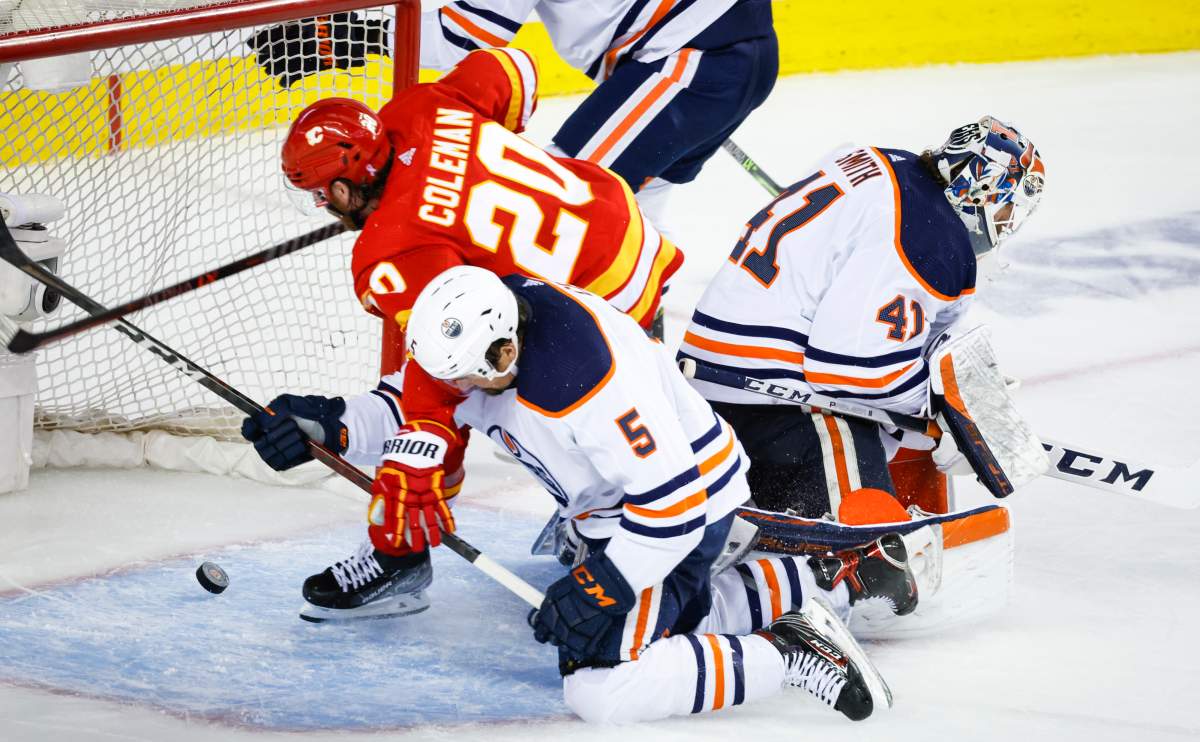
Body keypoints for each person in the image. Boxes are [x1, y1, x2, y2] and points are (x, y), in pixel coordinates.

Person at [242, 46, 682, 621]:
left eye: (322, 193)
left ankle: (407, 557)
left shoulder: (391, 250)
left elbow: (446, 368)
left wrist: (412, 456)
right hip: (630, 241)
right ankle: (611, 509)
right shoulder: (422, 104)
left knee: (498, 392)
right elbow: (516, 67)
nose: (324, 204)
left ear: (347, 190)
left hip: (587, 318)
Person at [394, 264, 917, 723]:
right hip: (640, 508)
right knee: (681, 623)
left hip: (681, 512)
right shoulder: (503, 310)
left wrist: (600, 585)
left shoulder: (584, 381)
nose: (455, 386)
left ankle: (787, 652)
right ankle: (834, 577)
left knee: (601, 685)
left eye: (463, 375)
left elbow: (674, 506)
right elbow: (420, 393)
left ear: (505, 351)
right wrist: (329, 424)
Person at [676, 116, 1046, 522]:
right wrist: (945, 413)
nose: (1011, 217)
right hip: (773, 403)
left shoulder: (884, 162)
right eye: (1010, 202)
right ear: (982, 188)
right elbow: (852, 368)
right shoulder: (928, 233)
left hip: (715, 383)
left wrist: (940, 401)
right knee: (871, 558)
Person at [246, 0, 779, 232]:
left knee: (555, 202)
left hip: (693, 56)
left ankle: (570, 364)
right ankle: (638, 341)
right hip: (728, 46)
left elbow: (467, 37)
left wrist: (346, 36)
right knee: (636, 207)